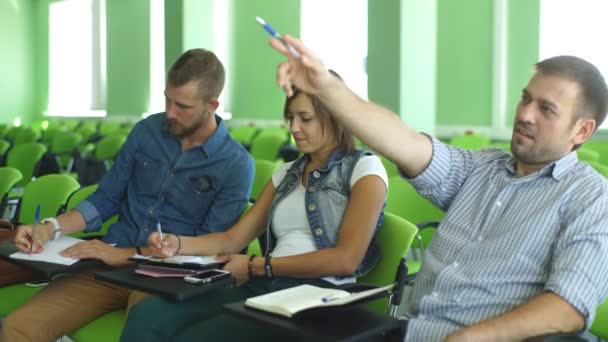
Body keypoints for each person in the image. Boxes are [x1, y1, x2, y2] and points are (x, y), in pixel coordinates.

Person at [269, 36, 608, 341]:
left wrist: (473, 337)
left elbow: (569, 307)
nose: (526, 115)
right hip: (404, 331)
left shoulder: (590, 198)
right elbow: (404, 141)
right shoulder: (483, 167)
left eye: (546, 109)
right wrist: (325, 86)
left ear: (582, 131)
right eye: (526, 98)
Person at [2, 48, 255, 342]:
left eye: (182, 105)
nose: (169, 112)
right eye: (167, 99)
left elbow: (209, 249)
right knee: (20, 328)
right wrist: (50, 228)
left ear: (212, 105)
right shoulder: (147, 131)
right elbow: (105, 198)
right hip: (108, 267)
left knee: (143, 332)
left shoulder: (236, 165)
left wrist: (123, 256)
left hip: (168, 278)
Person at [119, 73, 389, 341]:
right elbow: (232, 239)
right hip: (266, 283)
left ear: (335, 114)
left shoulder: (363, 168)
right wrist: (177, 244)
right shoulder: (286, 173)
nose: (294, 128)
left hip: (318, 295)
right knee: (148, 314)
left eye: (305, 118)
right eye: (291, 118)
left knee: (197, 336)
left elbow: (346, 260)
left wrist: (257, 266)